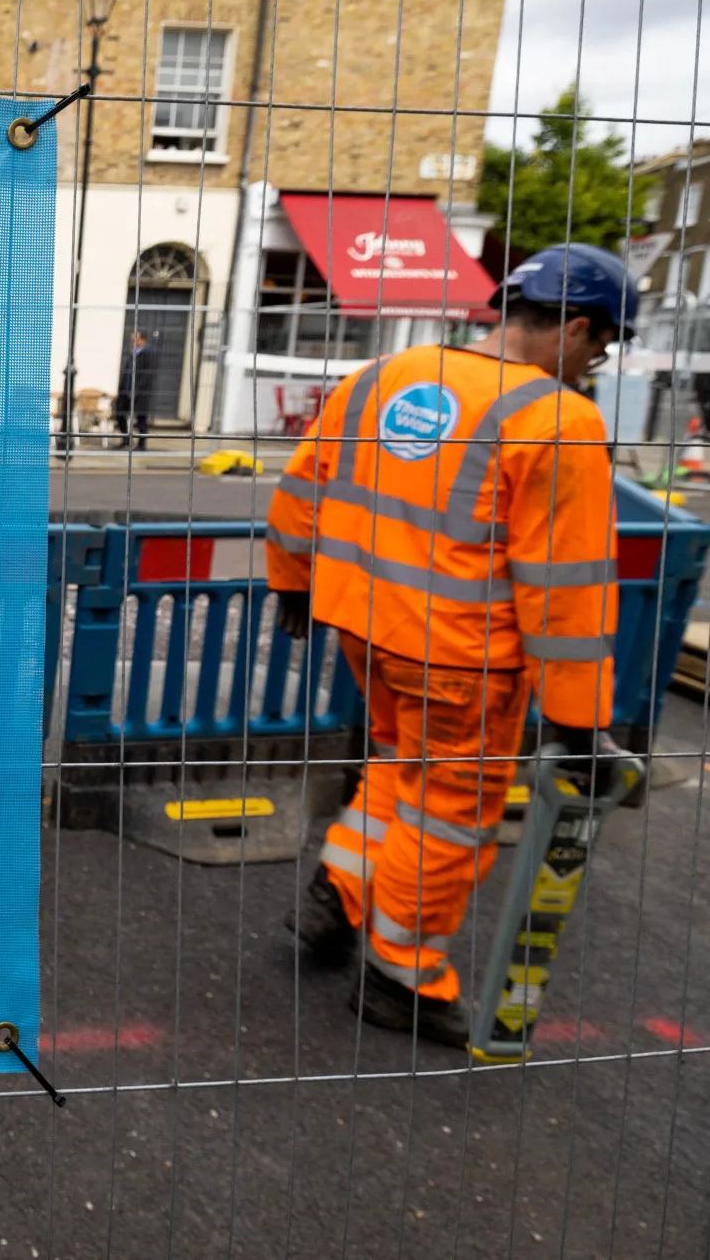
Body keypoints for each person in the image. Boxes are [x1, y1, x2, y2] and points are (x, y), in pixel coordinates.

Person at [265, 243, 634, 1047]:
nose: (597, 362)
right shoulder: (558, 419)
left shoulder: (383, 377)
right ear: (576, 327)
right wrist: (579, 719)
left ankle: (339, 897)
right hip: (460, 657)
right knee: (450, 813)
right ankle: (401, 977)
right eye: (603, 344)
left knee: (399, 766)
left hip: (366, 629)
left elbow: (301, 487)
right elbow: (565, 586)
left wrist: (292, 579)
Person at [114, 330, 152, 450]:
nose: (131, 342)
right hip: (125, 391)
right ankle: (126, 439)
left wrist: (136, 390)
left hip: (140, 394)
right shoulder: (132, 354)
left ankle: (141, 444)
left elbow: (146, 376)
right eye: (131, 340)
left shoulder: (147, 354)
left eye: (134, 340)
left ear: (143, 340)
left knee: (141, 419)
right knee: (119, 413)